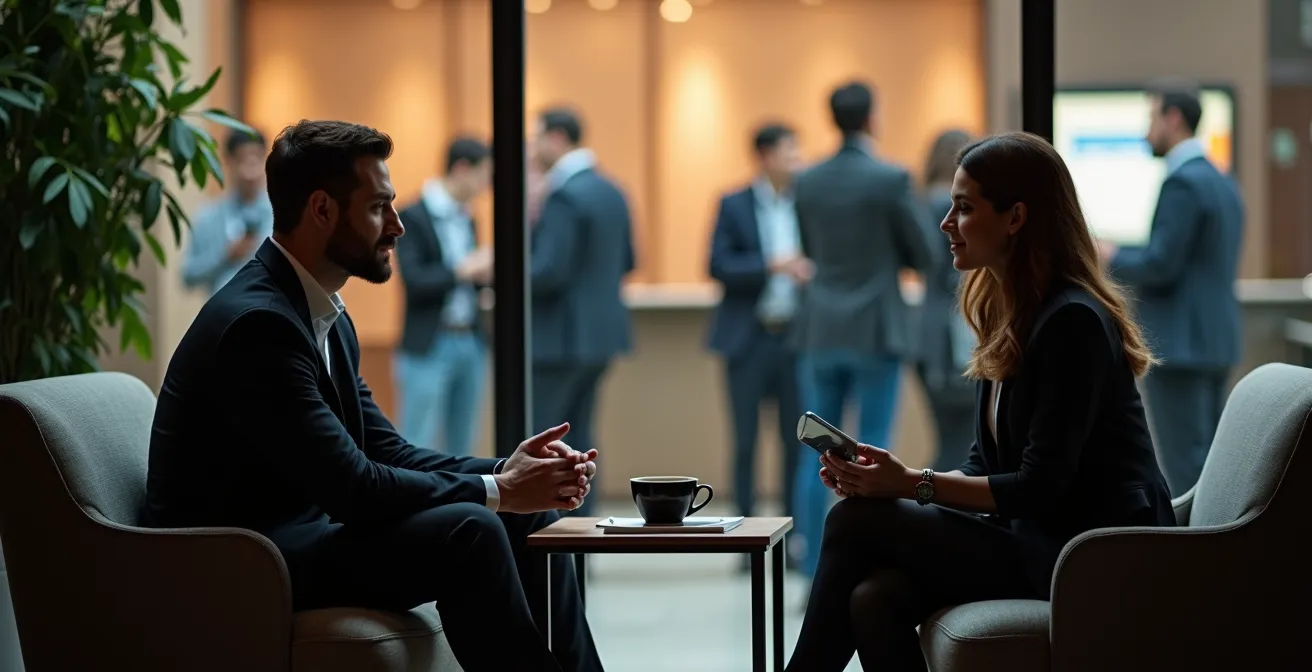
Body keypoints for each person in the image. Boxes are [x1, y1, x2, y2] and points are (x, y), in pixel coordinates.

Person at [144, 120, 603, 672]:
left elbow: (389, 451)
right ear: (321, 210)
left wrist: (511, 471)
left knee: (528, 517)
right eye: (378, 207)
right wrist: (498, 489)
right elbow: (354, 488)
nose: (398, 225)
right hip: (242, 560)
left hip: (297, 537)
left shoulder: (320, 315)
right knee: (473, 528)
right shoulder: (258, 326)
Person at [785, 131, 1175, 672]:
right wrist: (892, 481)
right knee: (873, 597)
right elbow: (985, 464)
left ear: (1015, 217)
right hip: (1038, 536)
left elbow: (1041, 485)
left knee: (856, 521)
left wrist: (910, 485)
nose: (946, 224)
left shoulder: (1072, 321)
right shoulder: (1008, 312)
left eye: (964, 209)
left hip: (1087, 554)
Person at [790, 81, 935, 578]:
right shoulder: (891, 178)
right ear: (872, 117)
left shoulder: (806, 181)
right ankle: (865, 561)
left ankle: (812, 567)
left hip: (821, 328)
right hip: (876, 328)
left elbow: (810, 248)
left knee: (817, 452)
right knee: (872, 447)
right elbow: (924, 254)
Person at [1100, 81, 1244, 497]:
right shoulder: (1222, 181)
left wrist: (1109, 256)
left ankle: (1199, 559)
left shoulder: (1182, 182)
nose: (1147, 132)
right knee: (1214, 468)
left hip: (1182, 345)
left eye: (1151, 119)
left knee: (1187, 471)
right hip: (1215, 342)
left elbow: (1161, 264)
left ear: (1173, 119)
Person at [529, 107, 636, 516]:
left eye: (536, 138)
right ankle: (582, 535)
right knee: (584, 438)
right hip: (601, 338)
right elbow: (628, 260)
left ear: (557, 139)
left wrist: (498, 269)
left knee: (545, 442)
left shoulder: (563, 195)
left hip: (559, 339)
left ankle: (548, 536)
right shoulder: (613, 190)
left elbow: (548, 272)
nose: (532, 148)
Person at [707, 123, 809, 526]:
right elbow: (718, 265)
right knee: (745, 441)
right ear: (765, 156)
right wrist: (772, 266)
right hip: (747, 340)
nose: (797, 161)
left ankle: (792, 532)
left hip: (796, 339)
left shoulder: (806, 203)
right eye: (789, 152)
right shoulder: (733, 203)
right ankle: (744, 529)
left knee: (796, 441)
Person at [394, 137, 495, 458]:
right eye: (483, 176)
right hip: (429, 342)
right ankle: (413, 506)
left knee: (464, 440)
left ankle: (461, 507)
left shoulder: (469, 217)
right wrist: (463, 270)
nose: (485, 187)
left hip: (471, 340)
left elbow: (468, 281)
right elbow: (415, 279)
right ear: (462, 169)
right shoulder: (413, 215)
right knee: (418, 437)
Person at [914, 129, 976, 472]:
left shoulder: (923, 200)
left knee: (951, 442)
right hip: (951, 343)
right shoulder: (949, 204)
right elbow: (954, 274)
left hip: (930, 338)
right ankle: (933, 512)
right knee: (960, 446)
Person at [180, 129, 274, 296]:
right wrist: (224, 256)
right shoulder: (209, 216)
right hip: (223, 317)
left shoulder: (281, 213)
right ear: (229, 161)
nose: (250, 169)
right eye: (242, 159)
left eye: (257, 159)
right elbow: (188, 275)